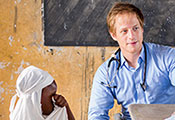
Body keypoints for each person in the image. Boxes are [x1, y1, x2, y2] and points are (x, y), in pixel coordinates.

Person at [88, 2, 175, 120]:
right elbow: (97, 116)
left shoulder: (168, 57)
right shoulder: (106, 73)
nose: (132, 36)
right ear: (113, 35)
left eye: (135, 28)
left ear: (142, 28)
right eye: (124, 31)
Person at [9, 65, 75, 120]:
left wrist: (66, 107)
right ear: (35, 99)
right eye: (52, 95)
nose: (56, 99)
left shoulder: (55, 114)